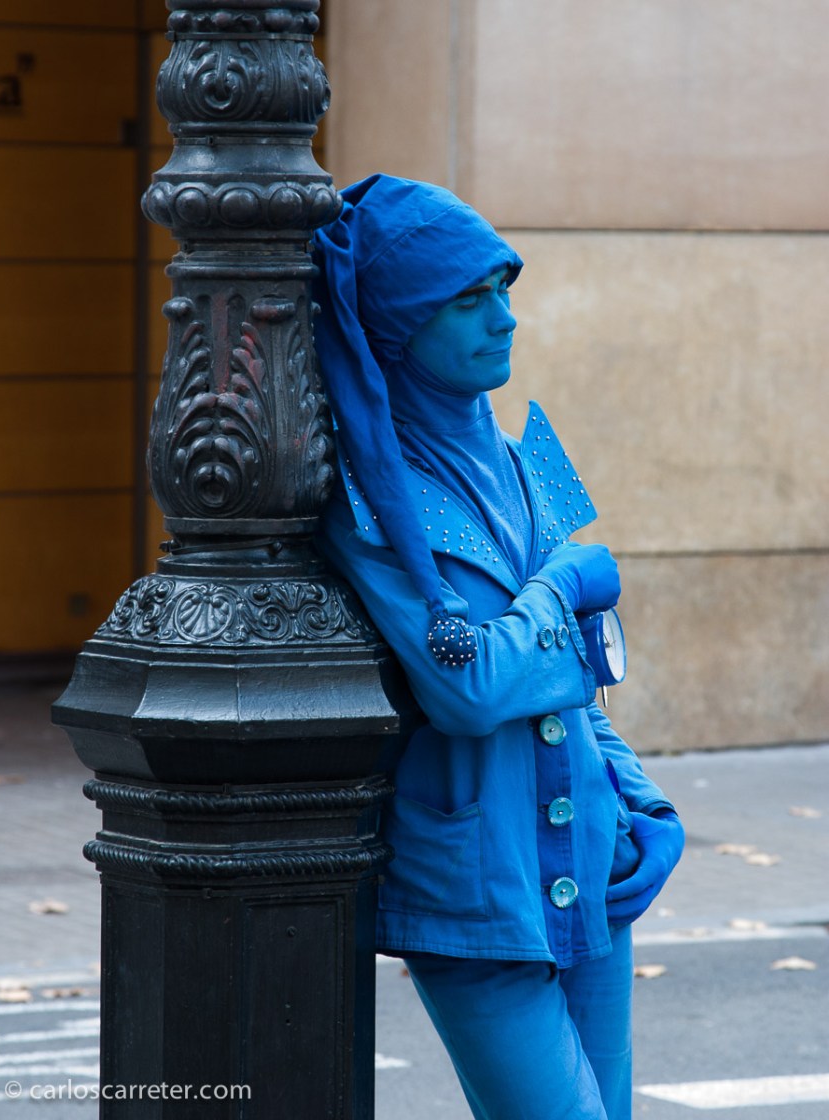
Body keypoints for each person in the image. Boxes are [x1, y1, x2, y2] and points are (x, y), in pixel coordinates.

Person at [312, 174, 684, 1120]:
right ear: (397, 327)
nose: (504, 319)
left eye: (505, 291)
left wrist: (645, 800)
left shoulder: (524, 458)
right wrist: (563, 584)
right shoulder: (365, 498)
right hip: (478, 893)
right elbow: (468, 689)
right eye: (468, 300)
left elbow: (578, 683)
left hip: (595, 860)